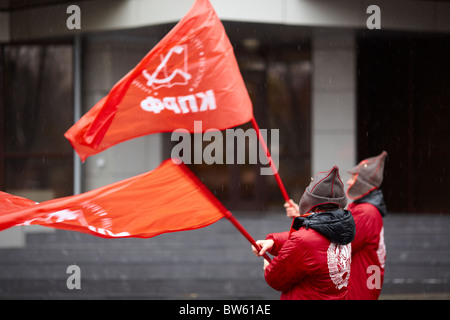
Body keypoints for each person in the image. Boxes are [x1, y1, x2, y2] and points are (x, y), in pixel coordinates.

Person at [252, 166, 355, 300]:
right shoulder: (343, 228)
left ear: (312, 202)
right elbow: (311, 241)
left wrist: (268, 267)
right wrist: (274, 241)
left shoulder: (304, 240)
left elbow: (275, 279)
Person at [345, 151, 388, 300]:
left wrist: (305, 221)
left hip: (359, 290)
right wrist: (302, 215)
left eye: (352, 178)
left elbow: (340, 241)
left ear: (363, 183)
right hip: (364, 286)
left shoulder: (366, 213)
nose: (348, 182)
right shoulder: (363, 209)